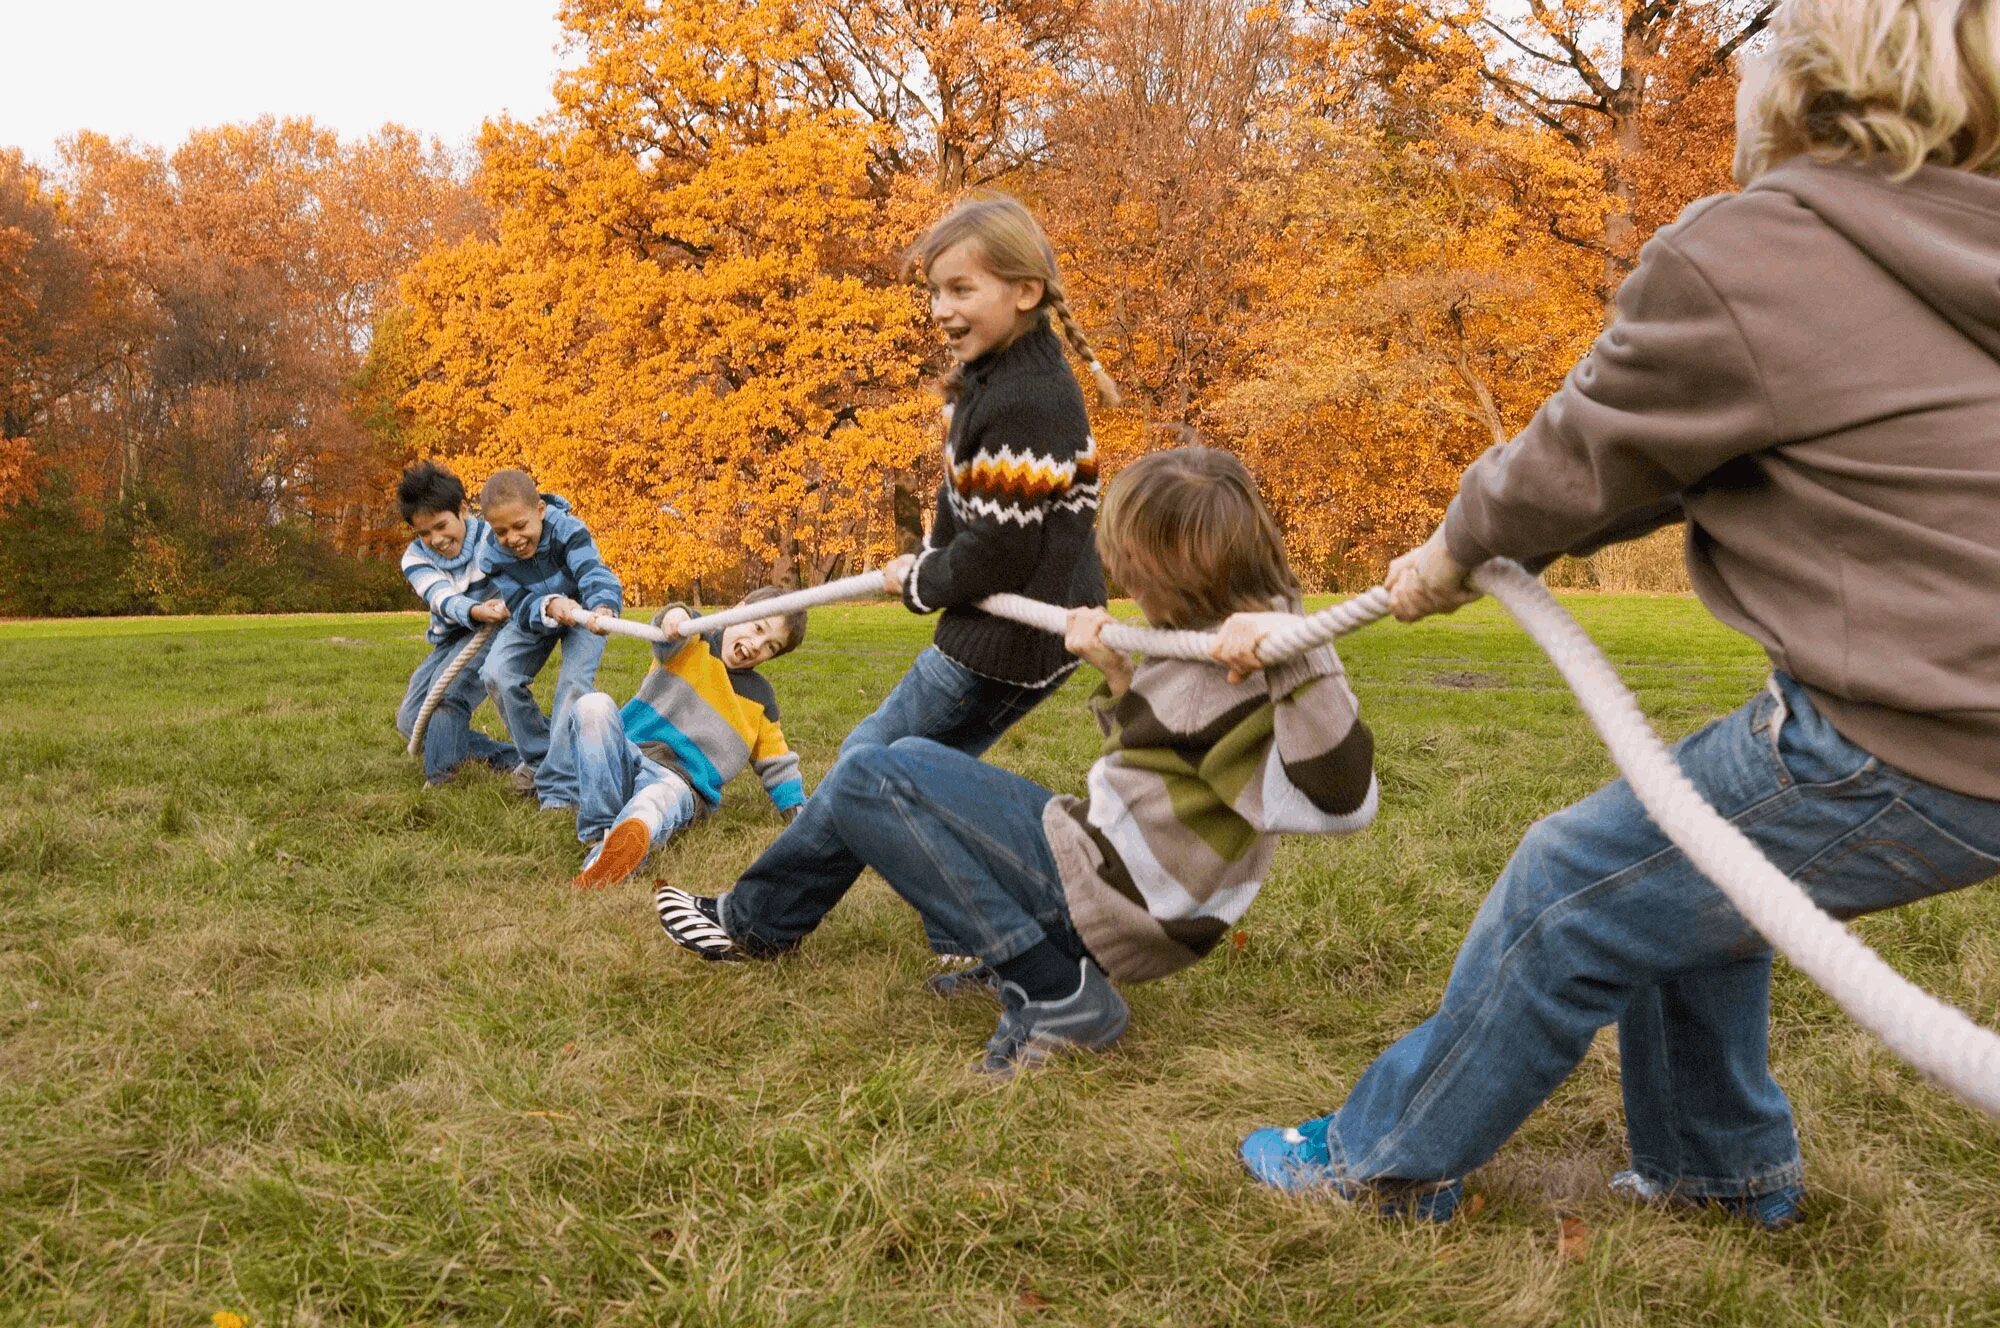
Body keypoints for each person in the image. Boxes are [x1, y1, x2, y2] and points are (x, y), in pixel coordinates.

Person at [1239, 0, 2000, 1228]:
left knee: (1571, 883)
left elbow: (1580, 456)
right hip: (1962, 721)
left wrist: (1453, 546)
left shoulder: (1757, 249)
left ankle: (1375, 1159)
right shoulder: (1964, 252)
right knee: (1694, 861)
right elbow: (1684, 461)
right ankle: (1713, 1167)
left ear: (1786, 93)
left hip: (1913, 734)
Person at [655, 447, 1379, 1077]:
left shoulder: (1270, 650)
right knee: (901, 756)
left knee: (867, 777)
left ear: (1183, 569)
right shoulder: (1206, 633)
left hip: (1120, 898)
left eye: (1136, 570)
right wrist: (1120, 674)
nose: (1125, 581)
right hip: (1114, 877)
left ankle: (1051, 988)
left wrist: (1299, 650)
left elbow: (1346, 803)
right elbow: (1180, 759)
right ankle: (1036, 956)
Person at [689, 193, 1120, 968]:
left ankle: (754, 922)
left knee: (867, 767)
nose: (940, 309)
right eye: (934, 291)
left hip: (1005, 640)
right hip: (1019, 637)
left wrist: (923, 581)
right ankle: (963, 936)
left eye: (961, 289)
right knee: (918, 777)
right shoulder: (1000, 375)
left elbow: (994, 555)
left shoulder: (1026, 398)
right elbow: (974, 511)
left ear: (1024, 291)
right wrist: (928, 550)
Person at [545, 588, 810, 891]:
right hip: (629, 757)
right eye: (758, 627)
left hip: (680, 781)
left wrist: (798, 811)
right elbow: (667, 629)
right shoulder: (691, 641)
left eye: (770, 646)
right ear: (739, 607)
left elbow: (778, 762)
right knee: (593, 706)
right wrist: (675, 616)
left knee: (653, 803)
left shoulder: (761, 700)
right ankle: (602, 828)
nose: (756, 645)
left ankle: (608, 859)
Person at [475, 467, 624, 801]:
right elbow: (515, 602)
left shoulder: (568, 530)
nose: (512, 538)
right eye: (501, 531)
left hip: (585, 611)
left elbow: (592, 571)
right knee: (498, 674)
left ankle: (559, 787)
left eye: (520, 526)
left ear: (540, 510)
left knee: (573, 685)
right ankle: (542, 758)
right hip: (533, 613)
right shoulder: (492, 555)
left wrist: (601, 606)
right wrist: (550, 605)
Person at [392, 461, 518, 785]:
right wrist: (476, 610)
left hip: (494, 629)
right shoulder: (414, 558)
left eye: (440, 525)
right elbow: (441, 597)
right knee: (410, 721)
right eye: (424, 533)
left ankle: (442, 781)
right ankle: (511, 758)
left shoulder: (492, 536)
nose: (436, 539)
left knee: (447, 695)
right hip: (452, 634)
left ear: (462, 509)